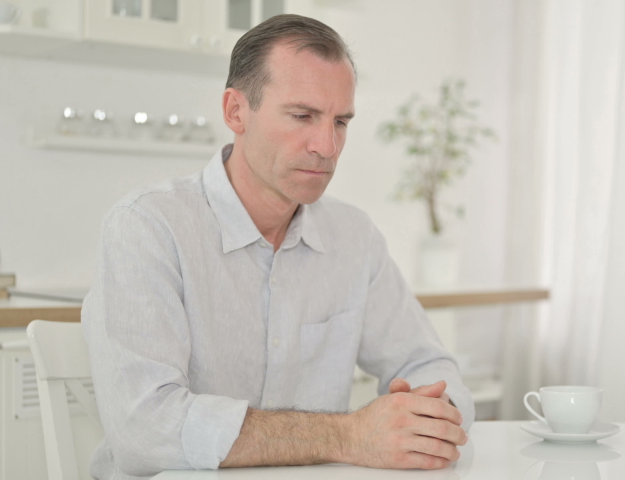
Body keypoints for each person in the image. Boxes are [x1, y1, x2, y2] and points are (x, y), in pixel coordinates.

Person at [82, 14, 473, 479]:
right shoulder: (147, 227)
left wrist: (430, 414)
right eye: (303, 116)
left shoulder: (354, 237)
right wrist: (347, 435)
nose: (326, 146)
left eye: (340, 121)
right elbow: (144, 428)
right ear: (235, 112)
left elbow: (428, 363)